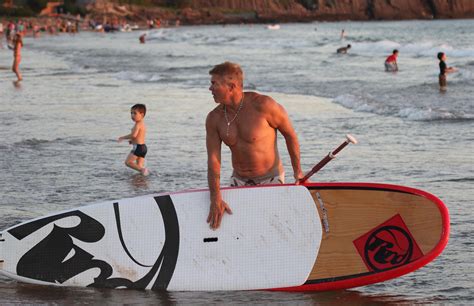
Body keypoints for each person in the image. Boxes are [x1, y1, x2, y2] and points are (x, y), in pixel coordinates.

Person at [206, 62, 303, 230]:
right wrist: (215, 197)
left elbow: (290, 135)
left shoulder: (264, 106)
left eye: (214, 84)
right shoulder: (214, 119)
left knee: (274, 229)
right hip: (239, 181)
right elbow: (214, 160)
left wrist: (298, 172)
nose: (210, 88)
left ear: (231, 86)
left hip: (271, 179)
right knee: (240, 230)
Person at [118, 104, 150, 176]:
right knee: (139, 166)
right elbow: (139, 137)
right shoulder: (142, 124)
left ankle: (142, 170)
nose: (132, 115)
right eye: (131, 113)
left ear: (142, 114)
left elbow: (133, 135)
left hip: (138, 148)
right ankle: (142, 179)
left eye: (135, 113)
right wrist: (132, 141)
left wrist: (122, 137)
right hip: (143, 147)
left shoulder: (137, 124)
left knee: (128, 162)